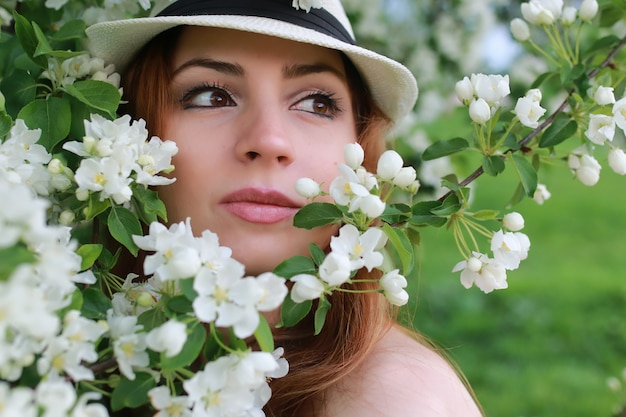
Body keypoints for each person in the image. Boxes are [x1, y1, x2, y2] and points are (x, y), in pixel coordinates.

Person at [87, 1, 484, 416]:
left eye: (316, 103)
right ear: (132, 135)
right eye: (211, 96)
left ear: (360, 150)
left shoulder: (399, 401)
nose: (269, 140)